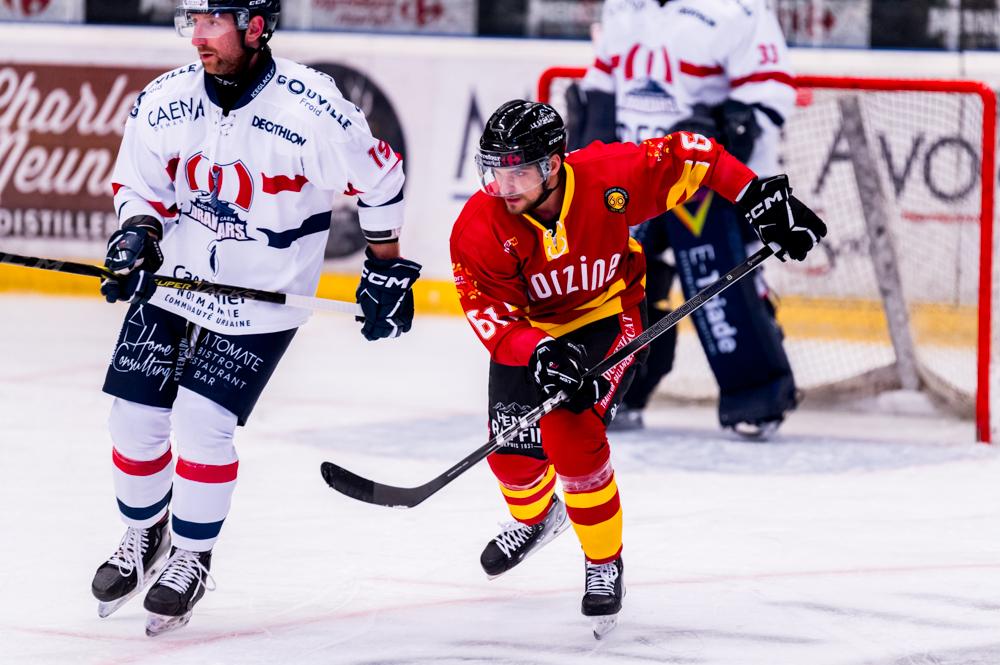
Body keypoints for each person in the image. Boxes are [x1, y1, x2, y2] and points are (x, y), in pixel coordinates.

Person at [90, 0, 421, 636]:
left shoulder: (313, 108)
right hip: (172, 285)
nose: (199, 38)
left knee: (202, 421)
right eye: (192, 23)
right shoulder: (164, 99)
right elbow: (138, 183)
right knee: (132, 421)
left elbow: (382, 180)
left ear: (256, 25)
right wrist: (136, 231)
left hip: (257, 300)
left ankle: (190, 554)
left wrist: (385, 266)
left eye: (213, 22)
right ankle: (142, 534)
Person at [449, 99, 825, 636]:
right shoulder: (477, 229)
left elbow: (695, 153)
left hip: (607, 317)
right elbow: (491, 318)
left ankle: (603, 560)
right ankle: (537, 520)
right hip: (532, 336)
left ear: (554, 164)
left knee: (571, 436)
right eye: (495, 171)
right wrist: (539, 352)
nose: (504, 187)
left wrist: (753, 192)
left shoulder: (610, 176)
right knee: (512, 460)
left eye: (519, 171)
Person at [569, 0, 799, 438]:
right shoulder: (622, 7)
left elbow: (770, 93)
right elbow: (600, 92)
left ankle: (758, 397)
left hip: (706, 179)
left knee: (722, 287)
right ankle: (618, 392)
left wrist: (719, 126)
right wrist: (588, 155)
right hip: (631, 175)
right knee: (616, 285)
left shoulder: (738, 9)